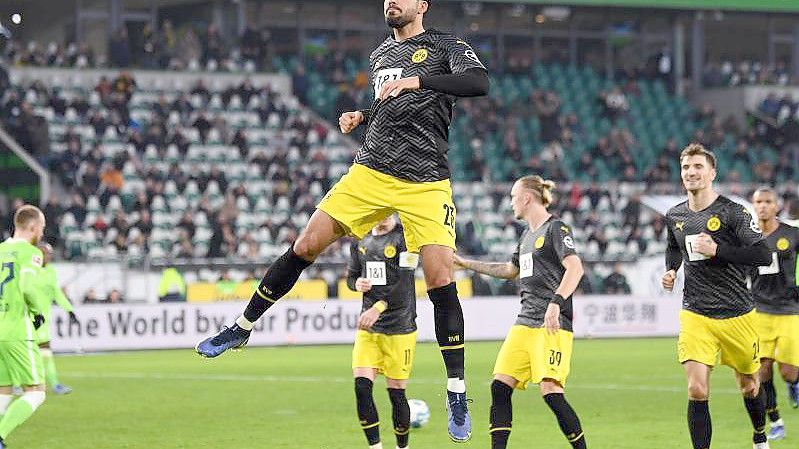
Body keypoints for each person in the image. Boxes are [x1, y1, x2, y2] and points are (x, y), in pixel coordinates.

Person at [195, 0, 489, 440]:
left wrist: (417, 80)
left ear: (422, 5)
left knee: (439, 279)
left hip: (426, 179)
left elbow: (479, 82)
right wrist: (364, 116)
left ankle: (457, 389)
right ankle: (242, 326)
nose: (392, 2)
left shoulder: (447, 45)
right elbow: (390, 105)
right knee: (305, 245)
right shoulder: (379, 55)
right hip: (371, 170)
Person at [454, 176, 587, 449]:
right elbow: (508, 270)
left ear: (527, 198)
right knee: (500, 386)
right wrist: (464, 263)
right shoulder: (527, 236)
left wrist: (556, 303)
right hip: (524, 322)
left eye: (514, 196)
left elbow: (576, 268)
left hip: (551, 324)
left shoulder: (556, 229)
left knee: (551, 392)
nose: (511, 202)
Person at [662, 144, 772, 449]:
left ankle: (760, 436)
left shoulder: (733, 212)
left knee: (749, 385)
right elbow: (673, 247)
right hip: (696, 313)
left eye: (698, 166)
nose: (691, 172)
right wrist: (671, 270)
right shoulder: (675, 215)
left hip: (738, 313)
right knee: (697, 389)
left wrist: (718, 250)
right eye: (686, 167)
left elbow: (762, 254)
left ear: (712, 173)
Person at [347, 215, 417, 449]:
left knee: (396, 393)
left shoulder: (405, 238)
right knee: (361, 387)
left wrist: (378, 307)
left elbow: (405, 282)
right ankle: (375, 446)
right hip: (369, 328)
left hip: (400, 326)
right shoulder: (359, 239)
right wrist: (356, 284)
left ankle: (402, 446)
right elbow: (351, 277)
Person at [750, 187, 799, 440]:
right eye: (758, 202)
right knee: (762, 371)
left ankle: (794, 384)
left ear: (777, 205)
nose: (763, 206)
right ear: (753, 205)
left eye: (768, 201)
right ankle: (776, 420)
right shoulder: (747, 237)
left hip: (790, 310)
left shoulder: (792, 233)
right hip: (759, 311)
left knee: (788, 372)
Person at [0, 205, 48, 448]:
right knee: (36, 391)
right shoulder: (31, 253)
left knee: (3, 391)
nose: (42, 232)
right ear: (32, 227)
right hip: (17, 330)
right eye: (42, 227)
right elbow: (27, 286)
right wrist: (37, 311)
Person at [35, 243, 79, 395]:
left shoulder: (51, 271)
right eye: (45, 253)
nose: (48, 257)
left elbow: (56, 293)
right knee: (24, 353)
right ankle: (16, 383)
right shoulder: (29, 271)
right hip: (27, 319)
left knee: (46, 353)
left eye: (49, 254)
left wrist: (69, 311)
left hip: (43, 321)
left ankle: (55, 384)